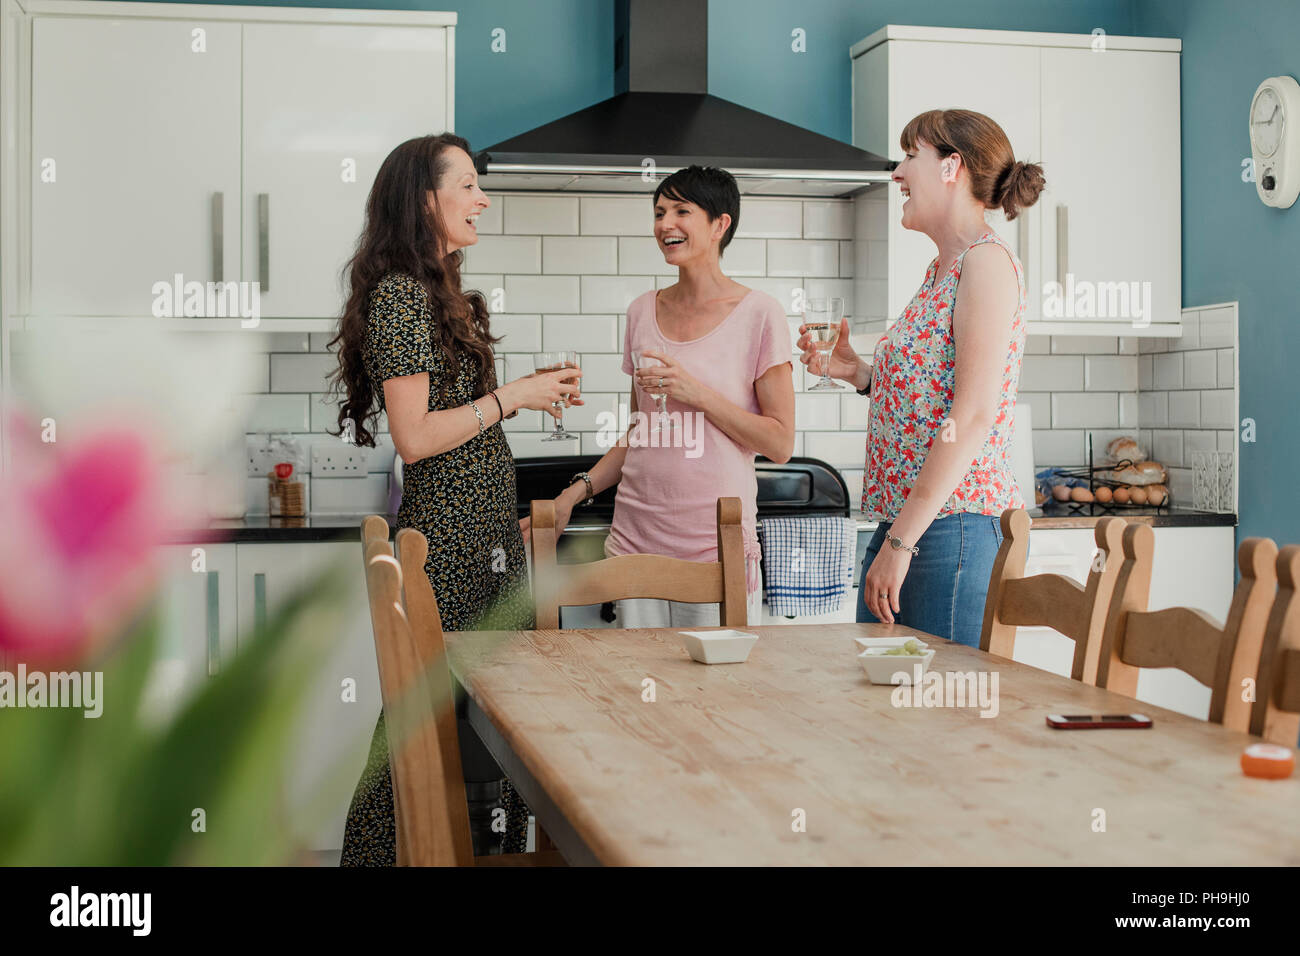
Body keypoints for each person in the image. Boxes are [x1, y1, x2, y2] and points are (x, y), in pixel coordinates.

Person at [326, 133, 582, 864]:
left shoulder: (437, 292)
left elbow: (452, 415)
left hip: (480, 535)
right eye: (467, 185)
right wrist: (513, 397)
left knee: (478, 722)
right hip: (450, 539)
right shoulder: (402, 296)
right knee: (431, 722)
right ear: (424, 198)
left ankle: (472, 852)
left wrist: (521, 396)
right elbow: (414, 436)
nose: (483, 198)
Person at [797, 109, 1044, 647]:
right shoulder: (942, 269)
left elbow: (973, 415)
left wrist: (901, 545)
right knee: (887, 714)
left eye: (911, 156)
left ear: (951, 166)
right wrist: (860, 375)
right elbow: (931, 396)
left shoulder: (986, 264)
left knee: (932, 719)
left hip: (950, 529)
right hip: (910, 522)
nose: (897, 173)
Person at [523, 165, 794, 626]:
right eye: (659, 212)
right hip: (635, 541)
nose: (665, 224)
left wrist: (697, 393)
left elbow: (780, 444)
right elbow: (639, 434)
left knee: (715, 693)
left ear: (719, 225)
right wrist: (573, 494)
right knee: (636, 688)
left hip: (714, 547)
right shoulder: (641, 312)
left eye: (681, 211)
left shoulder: (759, 314)